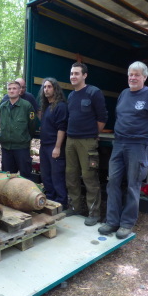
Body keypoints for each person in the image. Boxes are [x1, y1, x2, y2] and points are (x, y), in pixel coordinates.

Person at [98, 61, 148, 239]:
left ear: (144, 77)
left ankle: (126, 224)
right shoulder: (123, 94)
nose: (132, 77)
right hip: (119, 144)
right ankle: (111, 221)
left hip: (137, 146)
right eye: (130, 74)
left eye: (137, 74)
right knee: (113, 182)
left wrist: (146, 133)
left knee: (133, 185)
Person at [65, 62, 108, 226]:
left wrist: (93, 134)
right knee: (71, 175)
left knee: (89, 176)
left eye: (76, 73)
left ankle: (94, 213)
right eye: (71, 73)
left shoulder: (93, 92)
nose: (73, 76)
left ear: (84, 75)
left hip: (87, 141)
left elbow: (102, 117)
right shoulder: (71, 96)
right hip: (71, 140)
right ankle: (75, 207)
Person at [0, 81, 36, 180]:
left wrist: (26, 137)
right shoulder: (3, 106)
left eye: (14, 88)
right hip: (6, 147)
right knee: (7, 176)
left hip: (21, 146)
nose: (11, 91)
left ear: (19, 90)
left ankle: (26, 195)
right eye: (9, 89)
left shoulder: (27, 106)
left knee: (25, 175)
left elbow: (32, 125)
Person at [38, 77, 68, 207]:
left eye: (49, 87)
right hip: (44, 147)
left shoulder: (60, 106)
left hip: (54, 147)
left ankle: (61, 203)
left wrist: (57, 147)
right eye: (45, 87)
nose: (46, 89)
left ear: (55, 89)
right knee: (46, 176)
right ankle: (50, 201)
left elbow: (62, 128)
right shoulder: (47, 107)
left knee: (57, 177)